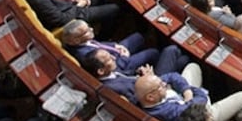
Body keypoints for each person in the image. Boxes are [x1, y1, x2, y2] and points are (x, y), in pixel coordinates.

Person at [60, 19, 190, 76]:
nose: (91, 29)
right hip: (121, 63)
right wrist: (123, 56)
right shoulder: (85, 56)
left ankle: (168, 61)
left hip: (113, 53)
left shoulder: (82, 41)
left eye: (89, 27)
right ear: (75, 40)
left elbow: (97, 44)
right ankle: (158, 62)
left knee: (138, 37)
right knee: (154, 52)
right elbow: (114, 69)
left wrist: (115, 46)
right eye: (87, 31)